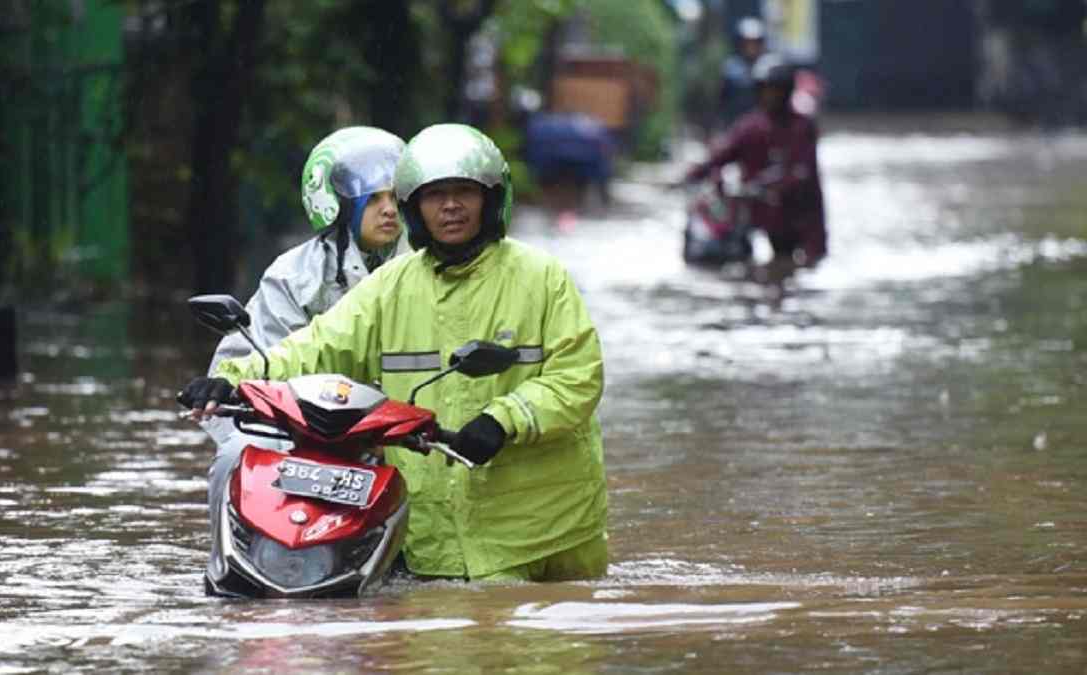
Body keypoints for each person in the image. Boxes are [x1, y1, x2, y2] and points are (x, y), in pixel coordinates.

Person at [183, 123, 609, 583]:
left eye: (463, 191)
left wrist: (503, 420)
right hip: (434, 537)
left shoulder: (543, 278)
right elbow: (317, 346)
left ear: (491, 198)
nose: (450, 206)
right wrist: (235, 377)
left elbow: (578, 378)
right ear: (416, 208)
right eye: (434, 195)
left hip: (543, 529)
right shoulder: (389, 285)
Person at [197, 126, 409, 589]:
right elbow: (257, 353)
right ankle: (228, 572)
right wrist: (234, 392)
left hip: (400, 431)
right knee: (234, 457)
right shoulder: (295, 276)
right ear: (341, 206)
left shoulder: (427, 268)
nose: (389, 209)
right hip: (302, 431)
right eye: (373, 199)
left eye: (395, 197)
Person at [687, 53, 827, 269]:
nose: (770, 97)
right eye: (765, 91)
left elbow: (801, 170)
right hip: (760, 214)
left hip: (800, 218)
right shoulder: (750, 127)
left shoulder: (802, 127)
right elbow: (722, 155)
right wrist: (693, 174)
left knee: (800, 267)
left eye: (775, 91)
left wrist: (767, 184)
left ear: (786, 91)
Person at [717, 16, 768, 130]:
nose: (751, 47)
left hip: (762, 127)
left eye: (755, 43)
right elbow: (722, 100)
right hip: (736, 125)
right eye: (748, 43)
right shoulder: (731, 69)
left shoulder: (768, 66)